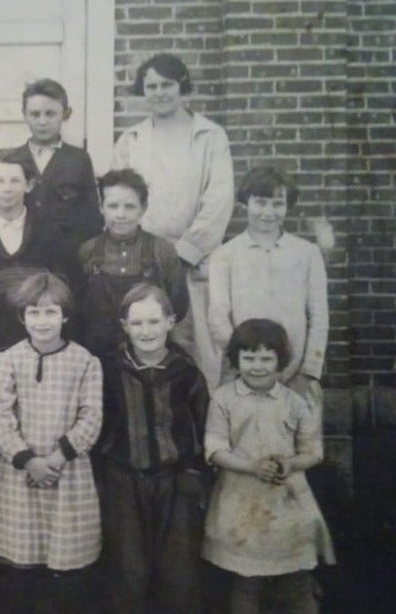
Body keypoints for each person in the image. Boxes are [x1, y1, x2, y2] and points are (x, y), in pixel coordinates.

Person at [202, 319, 335, 614]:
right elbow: (214, 449)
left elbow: (314, 451)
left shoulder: (295, 402)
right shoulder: (223, 399)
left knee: (297, 578)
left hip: (286, 504)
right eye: (248, 358)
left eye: (266, 359)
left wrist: (289, 463)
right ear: (235, 359)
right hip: (241, 504)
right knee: (246, 580)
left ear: (280, 361)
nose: (257, 367)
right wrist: (249, 466)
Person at [0, 272, 103, 614]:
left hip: (68, 475)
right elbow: (2, 418)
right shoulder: (8, 360)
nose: (42, 321)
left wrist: (56, 459)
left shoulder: (85, 361)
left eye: (50, 312)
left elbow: (91, 417)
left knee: (65, 564)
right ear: (22, 317)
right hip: (20, 475)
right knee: (24, 565)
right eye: (34, 313)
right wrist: (29, 461)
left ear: (65, 316)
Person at [112, 53, 234, 390]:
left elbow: (219, 201)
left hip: (195, 262)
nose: (159, 92)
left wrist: (185, 252)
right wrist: (142, 251)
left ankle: (204, 433)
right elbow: (118, 199)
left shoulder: (209, 136)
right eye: (151, 86)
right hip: (145, 260)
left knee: (200, 348)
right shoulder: (131, 140)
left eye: (167, 84)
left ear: (181, 86)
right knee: (149, 344)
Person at [99, 284, 209, 614]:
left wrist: (195, 472)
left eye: (154, 321)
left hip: (175, 480)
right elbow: (100, 424)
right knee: (128, 565)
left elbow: (203, 425)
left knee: (179, 566)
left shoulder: (185, 371)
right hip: (123, 478)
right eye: (137, 323)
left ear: (170, 322)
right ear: (125, 326)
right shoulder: (110, 369)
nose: (146, 331)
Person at [0, 147, 83, 392]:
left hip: (43, 345)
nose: (7, 188)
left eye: (15, 180)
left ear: (29, 184)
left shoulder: (50, 233)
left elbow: (66, 291)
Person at [208, 166, 328, 412]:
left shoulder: (307, 253)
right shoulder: (225, 255)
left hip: (294, 375)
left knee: (297, 441)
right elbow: (217, 317)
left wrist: (309, 371)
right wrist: (244, 364)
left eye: (277, 204)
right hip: (241, 372)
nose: (268, 212)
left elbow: (319, 317)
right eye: (261, 203)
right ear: (245, 204)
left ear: (287, 206)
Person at [79, 168, 188, 360]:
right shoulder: (88, 251)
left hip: (148, 352)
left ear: (143, 208)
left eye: (130, 206)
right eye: (113, 206)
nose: (121, 215)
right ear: (101, 207)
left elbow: (178, 306)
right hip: (97, 355)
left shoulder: (162, 251)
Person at [10, 78, 102, 249]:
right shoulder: (12, 159)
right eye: (35, 114)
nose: (42, 121)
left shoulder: (79, 159)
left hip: (66, 255)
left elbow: (91, 218)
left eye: (50, 114)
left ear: (66, 114)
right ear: (24, 115)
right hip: (20, 256)